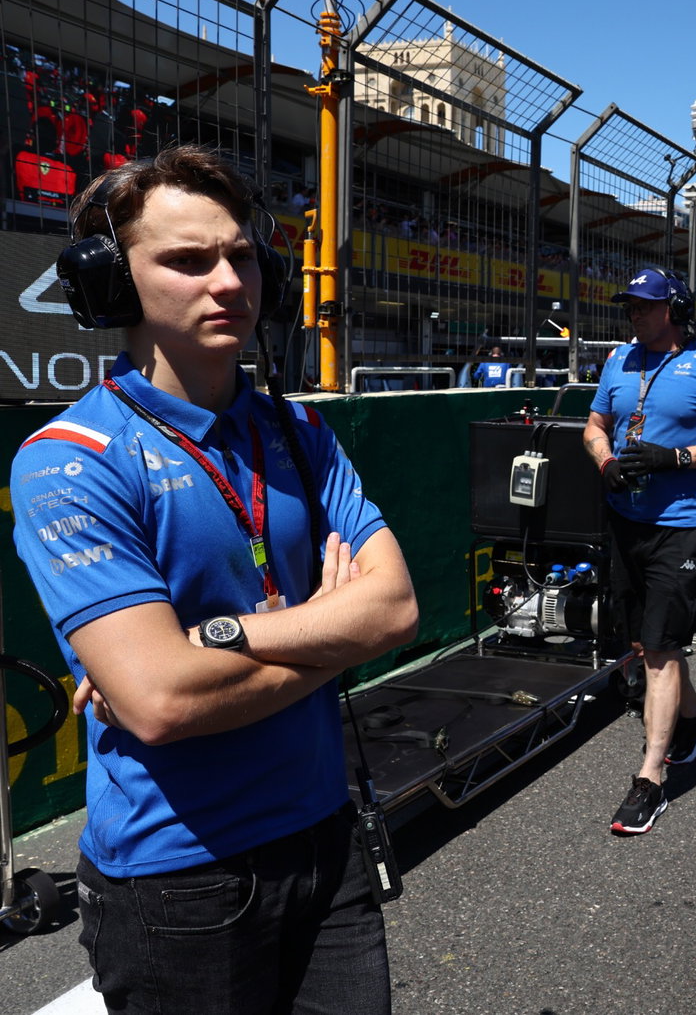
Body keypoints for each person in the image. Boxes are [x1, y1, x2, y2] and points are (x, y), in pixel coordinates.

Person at [10, 145, 420, 1013]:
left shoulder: (301, 432)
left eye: (241, 255)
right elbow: (161, 703)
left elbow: (394, 609)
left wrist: (224, 638)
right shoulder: (70, 463)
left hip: (325, 836)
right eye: (188, 261)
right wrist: (327, 629)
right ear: (111, 286)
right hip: (179, 880)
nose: (228, 282)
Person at [585, 266, 696, 834]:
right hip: (625, 522)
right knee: (645, 641)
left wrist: (674, 458)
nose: (633, 313)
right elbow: (593, 426)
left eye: (644, 305)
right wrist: (606, 461)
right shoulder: (618, 360)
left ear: (674, 309)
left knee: (658, 650)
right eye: (628, 305)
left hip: (681, 526)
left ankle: (650, 778)